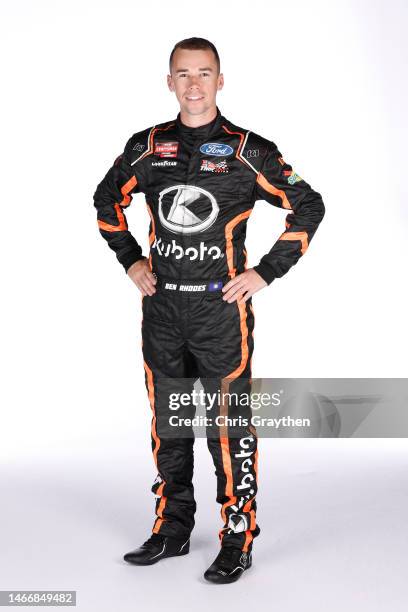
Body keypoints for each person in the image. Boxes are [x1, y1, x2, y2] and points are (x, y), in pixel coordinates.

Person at [93, 37, 325, 584]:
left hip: (222, 315)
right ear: (169, 82)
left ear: (221, 80)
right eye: (183, 74)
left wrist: (265, 272)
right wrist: (131, 260)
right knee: (170, 425)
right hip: (163, 310)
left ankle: (237, 537)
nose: (193, 84)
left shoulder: (249, 149)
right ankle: (173, 528)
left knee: (229, 427)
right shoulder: (147, 147)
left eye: (204, 73)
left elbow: (308, 205)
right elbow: (107, 201)